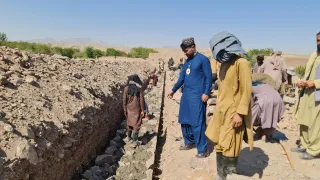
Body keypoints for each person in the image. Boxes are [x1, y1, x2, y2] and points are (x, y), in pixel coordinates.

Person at [205, 31, 253, 179]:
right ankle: (221, 176)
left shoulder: (242, 63)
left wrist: (240, 113)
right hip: (221, 111)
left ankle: (230, 175)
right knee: (219, 143)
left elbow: (246, 90)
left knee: (230, 145)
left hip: (234, 112)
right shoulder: (224, 65)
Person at [167, 37, 212, 158]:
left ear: (193, 46)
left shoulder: (203, 60)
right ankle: (189, 142)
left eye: (186, 50)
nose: (185, 53)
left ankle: (203, 149)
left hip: (198, 96)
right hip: (186, 95)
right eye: (184, 51)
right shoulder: (187, 61)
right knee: (184, 120)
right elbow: (181, 78)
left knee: (198, 122)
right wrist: (173, 90)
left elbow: (208, 78)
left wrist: (206, 92)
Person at [292, 32, 320, 160]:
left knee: (315, 124)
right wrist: (302, 81)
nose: (319, 43)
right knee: (304, 120)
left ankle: (314, 150)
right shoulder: (314, 55)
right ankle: (304, 144)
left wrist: (315, 83)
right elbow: (309, 73)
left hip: (318, 93)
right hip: (307, 92)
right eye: (318, 40)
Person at [251, 73, 285, 142]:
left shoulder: (252, 87)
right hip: (278, 99)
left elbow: (249, 103)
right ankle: (267, 136)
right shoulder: (267, 85)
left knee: (251, 116)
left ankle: (250, 134)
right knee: (272, 117)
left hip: (266, 100)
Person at [123, 74, 145, 147]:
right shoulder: (139, 89)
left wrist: (125, 109)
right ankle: (134, 141)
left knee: (129, 123)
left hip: (129, 109)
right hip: (137, 109)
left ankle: (128, 137)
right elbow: (141, 100)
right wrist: (142, 110)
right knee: (137, 124)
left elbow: (124, 101)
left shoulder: (126, 89)